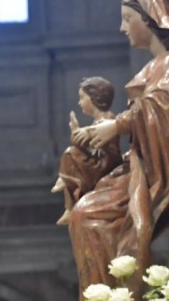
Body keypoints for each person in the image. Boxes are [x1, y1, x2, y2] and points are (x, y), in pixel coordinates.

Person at [68, 0, 169, 301]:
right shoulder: (159, 65)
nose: (122, 27)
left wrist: (118, 125)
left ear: (150, 18)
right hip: (139, 164)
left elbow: (165, 111)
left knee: (89, 216)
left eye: (128, 18)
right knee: (84, 214)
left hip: (152, 170)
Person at [51, 76, 122, 226]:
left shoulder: (108, 119)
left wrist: (78, 133)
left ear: (94, 97)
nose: (79, 102)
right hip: (99, 158)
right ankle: (68, 205)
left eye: (82, 97)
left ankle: (66, 188)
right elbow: (89, 145)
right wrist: (76, 132)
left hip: (106, 163)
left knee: (70, 154)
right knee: (71, 155)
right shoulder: (98, 121)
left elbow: (96, 143)